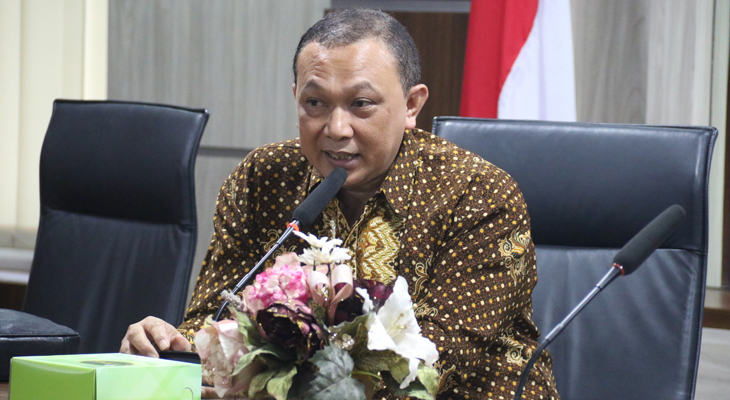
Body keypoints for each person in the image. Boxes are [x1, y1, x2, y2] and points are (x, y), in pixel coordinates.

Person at [121, 9, 559, 400]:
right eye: (315, 103)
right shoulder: (262, 179)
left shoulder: (478, 194)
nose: (336, 129)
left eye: (360, 104)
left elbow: (429, 363)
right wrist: (172, 346)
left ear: (411, 105)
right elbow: (217, 315)